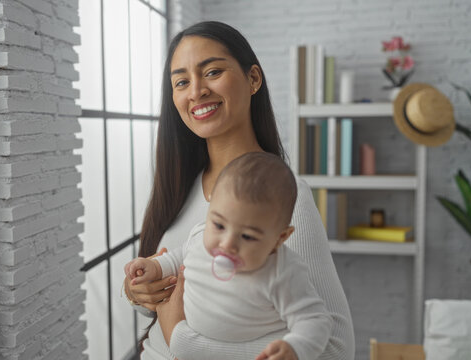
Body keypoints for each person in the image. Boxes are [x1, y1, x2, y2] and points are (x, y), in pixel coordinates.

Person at [122, 21, 355, 360]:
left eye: (212, 72)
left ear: (253, 79)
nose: (196, 91)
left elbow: (335, 348)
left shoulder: (289, 202)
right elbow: (172, 292)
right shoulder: (179, 186)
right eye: (182, 82)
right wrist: (137, 293)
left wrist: (182, 340)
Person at [125, 152, 333, 360]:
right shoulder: (200, 235)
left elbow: (315, 320)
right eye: (219, 225)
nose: (227, 244)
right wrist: (156, 267)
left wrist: (295, 347)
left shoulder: (282, 271)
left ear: (280, 238)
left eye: (247, 237)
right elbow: (180, 256)